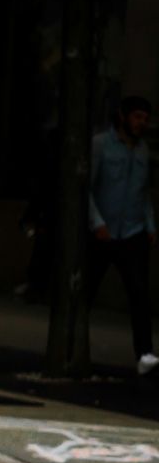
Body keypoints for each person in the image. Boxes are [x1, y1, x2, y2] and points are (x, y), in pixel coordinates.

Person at [86, 94, 156, 378]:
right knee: (87, 289)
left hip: (132, 231)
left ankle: (145, 354)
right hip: (104, 232)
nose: (141, 123)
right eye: (137, 117)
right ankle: (73, 345)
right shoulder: (101, 145)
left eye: (145, 119)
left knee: (139, 294)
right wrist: (96, 223)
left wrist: (149, 225)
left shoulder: (142, 150)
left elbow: (143, 191)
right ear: (123, 116)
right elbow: (87, 187)